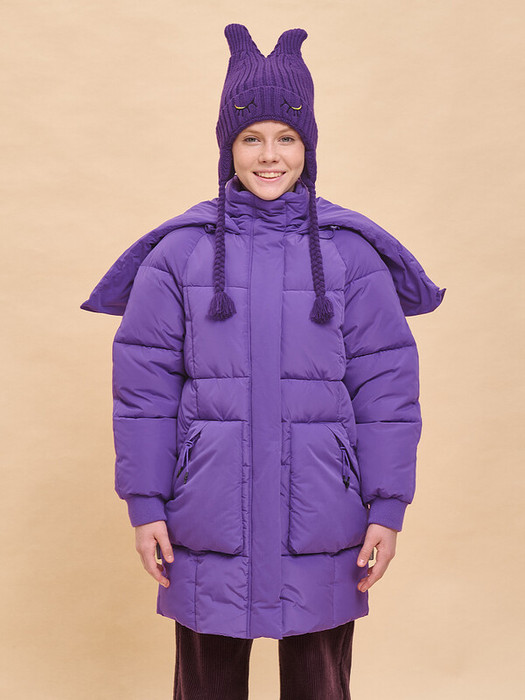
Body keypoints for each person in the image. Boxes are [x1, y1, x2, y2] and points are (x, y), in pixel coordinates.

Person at [81, 23, 445, 700]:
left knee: (320, 686)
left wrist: (387, 507)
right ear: (228, 146)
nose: (269, 156)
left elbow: (387, 394)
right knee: (206, 688)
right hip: (205, 517)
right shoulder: (180, 256)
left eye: (287, 138)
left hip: (325, 520)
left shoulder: (351, 256)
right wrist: (146, 505)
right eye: (251, 138)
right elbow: (143, 394)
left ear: (309, 147)